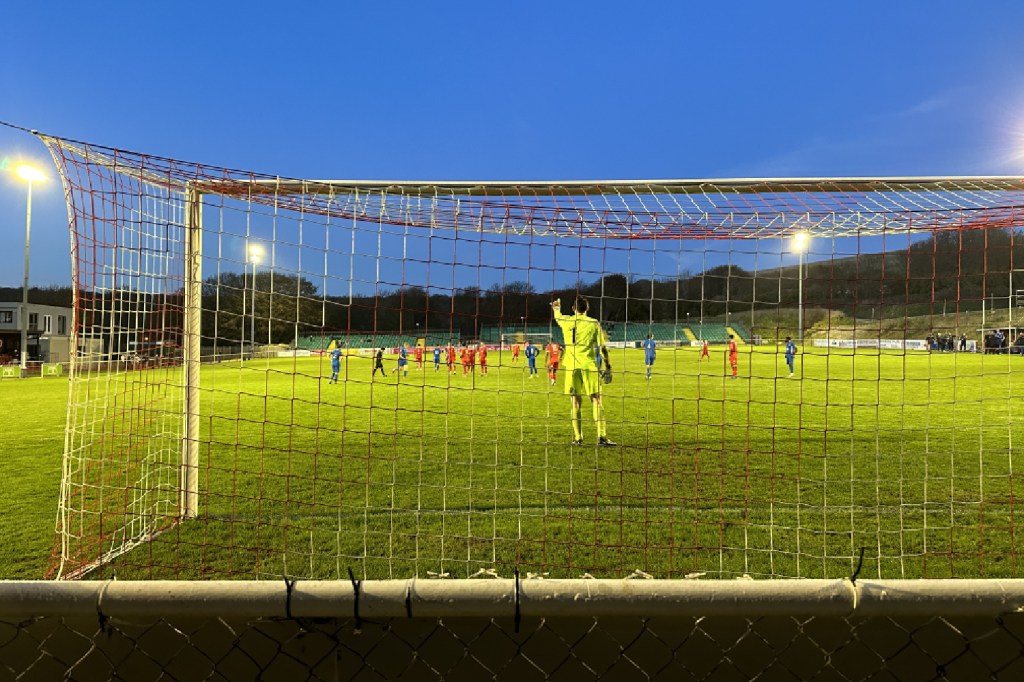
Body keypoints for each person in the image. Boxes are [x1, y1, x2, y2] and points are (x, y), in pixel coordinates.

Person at [551, 296, 615, 446]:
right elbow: (602, 348)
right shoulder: (593, 323)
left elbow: (557, 316)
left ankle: (578, 438)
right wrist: (608, 366)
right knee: (596, 400)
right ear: (587, 309)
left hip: (572, 367)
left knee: (575, 402)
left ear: (573, 309)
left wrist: (556, 307)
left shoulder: (566, 321)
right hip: (589, 366)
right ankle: (602, 437)